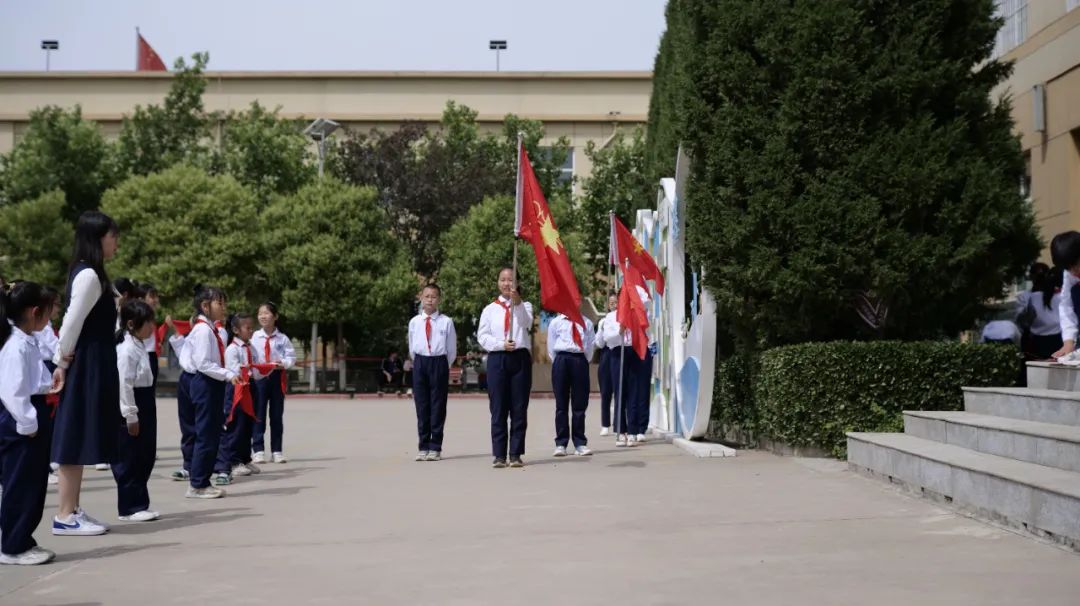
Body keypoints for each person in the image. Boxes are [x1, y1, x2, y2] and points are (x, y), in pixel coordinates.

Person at [51, 211, 121, 536]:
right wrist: (61, 364)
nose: (116, 242)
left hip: (95, 362)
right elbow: (71, 322)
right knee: (74, 433)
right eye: (112, 236)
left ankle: (73, 509)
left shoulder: (92, 274)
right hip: (85, 365)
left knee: (80, 434)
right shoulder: (89, 276)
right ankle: (64, 515)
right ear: (97, 238)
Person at [0, 281, 63, 565]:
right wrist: (29, 424)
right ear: (34, 311)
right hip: (22, 419)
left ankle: (22, 540)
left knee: (32, 483)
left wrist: (49, 384)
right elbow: (12, 392)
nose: (51, 317)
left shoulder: (27, 340)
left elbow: (31, 380)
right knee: (20, 484)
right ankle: (12, 546)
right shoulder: (15, 346)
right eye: (49, 311)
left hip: (32, 412)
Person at [179, 285, 238, 499]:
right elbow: (203, 363)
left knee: (211, 434)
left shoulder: (211, 329)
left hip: (212, 383)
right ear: (205, 306)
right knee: (205, 434)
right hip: (205, 383)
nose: (224, 307)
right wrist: (228, 374)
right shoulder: (203, 330)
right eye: (219, 303)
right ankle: (198, 484)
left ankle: (202, 481)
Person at [477, 268, 534, 468]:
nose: (506, 283)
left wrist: (517, 303)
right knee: (498, 407)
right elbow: (482, 336)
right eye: (503, 279)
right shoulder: (489, 309)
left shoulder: (525, 306)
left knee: (519, 407)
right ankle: (499, 454)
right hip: (498, 358)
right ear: (498, 283)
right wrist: (501, 344)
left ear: (516, 283)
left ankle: (516, 453)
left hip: (520, 358)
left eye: (511, 280)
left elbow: (526, 323)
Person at [112, 299, 161, 521]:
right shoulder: (126, 350)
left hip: (146, 400)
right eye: (147, 322)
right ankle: (129, 507)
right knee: (129, 456)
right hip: (134, 402)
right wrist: (130, 415)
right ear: (131, 324)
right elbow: (124, 384)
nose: (152, 327)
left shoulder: (140, 345)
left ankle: (140, 502)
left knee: (145, 454)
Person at [407, 284, 457, 462]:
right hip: (420, 362)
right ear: (421, 298)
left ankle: (435, 446)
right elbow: (412, 346)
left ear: (439, 299)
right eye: (427, 296)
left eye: (434, 296)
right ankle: (423, 446)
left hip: (439, 362)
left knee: (438, 405)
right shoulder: (414, 322)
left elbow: (451, 349)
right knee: (422, 405)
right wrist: (419, 361)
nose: (430, 300)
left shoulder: (446, 322)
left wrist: (443, 365)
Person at [250, 302, 295, 464]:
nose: (263, 316)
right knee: (258, 415)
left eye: (266, 313)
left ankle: (277, 451)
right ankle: (258, 450)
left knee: (276, 415)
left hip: (276, 377)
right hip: (259, 378)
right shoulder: (254, 337)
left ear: (275, 316)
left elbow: (291, 357)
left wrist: (283, 363)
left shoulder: (282, 338)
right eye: (260, 313)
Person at [547, 312, 595, 457]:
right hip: (561, 359)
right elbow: (551, 346)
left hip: (579, 359)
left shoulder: (586, 322)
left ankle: (580, 443)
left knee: (580, 403)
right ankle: (561, 443)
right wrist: (558, 361)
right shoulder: (556, 322)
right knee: (561, 404)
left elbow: (590, 346)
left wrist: (582, 360)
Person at [600, 292, 638, 447]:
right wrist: (620, 330)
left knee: (633, 393)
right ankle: (621, 431)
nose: (617, 304)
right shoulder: (610, 317)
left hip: (632, 351)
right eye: (614, 302)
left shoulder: (632, 314)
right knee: (619, 392)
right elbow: (607, 337)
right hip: (617, 353)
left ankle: (633, 431)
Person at [1016, 264, 1063, 360]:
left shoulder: (1031, 297)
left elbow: (1022, 322)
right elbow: (1022, 322)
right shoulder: (1026, 296)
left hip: (1040, 341)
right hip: (1042, 340)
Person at [1052, 231, 1080, 362]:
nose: (1073, 271)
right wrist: (1069, 342)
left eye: (1075, 264)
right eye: (1068, 268)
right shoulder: (1069, 274)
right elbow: (1066, 307)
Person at [594, 294, 618, 436]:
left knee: (619, 391)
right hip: (606, 355)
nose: (614, 304)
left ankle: (618, 423)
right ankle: (605, 424)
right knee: (606, 391)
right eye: (611, 303)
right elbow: (599, 343)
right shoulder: (603, 321)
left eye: (616, 302)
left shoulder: (622, 318)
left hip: (618, 353)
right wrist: (602, 330)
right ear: (608, 305)